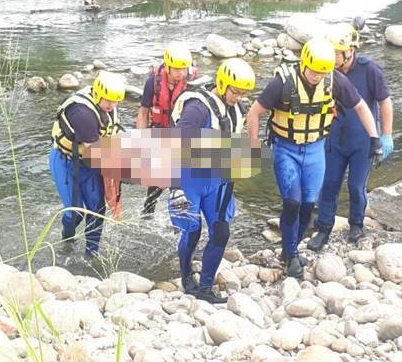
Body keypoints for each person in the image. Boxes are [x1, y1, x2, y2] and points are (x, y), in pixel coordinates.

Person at [246, 38, 379, 278]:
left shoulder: (334, 80)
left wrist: (375, 137)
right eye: (314, 71)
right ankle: (292, 256)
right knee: (292, 202)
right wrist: (253, 146)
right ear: (304, 62)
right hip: (286, 148)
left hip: (316, 149)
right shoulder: (282, 83)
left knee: (308, 204)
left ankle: (290, 249)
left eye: (322, 72)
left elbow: (360, 106)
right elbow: (255, 112)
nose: (317, 76)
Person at [169, 58, 255, 303]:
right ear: (222, 83)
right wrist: (176, 187)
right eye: (235, 91)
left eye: (243, 93)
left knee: (221, 232)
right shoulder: (197, 108)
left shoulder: (236, 109)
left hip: (217, 180)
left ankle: (206, 287)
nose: (238, 97)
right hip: (189, 179)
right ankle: (187, 276)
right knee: (193, 231)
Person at [307, 23, 394, 250]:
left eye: (337, 52)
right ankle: (324, 227)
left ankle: (356, 225)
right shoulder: (325, 72)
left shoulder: (369, 69)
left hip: (361, 140)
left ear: (350, 50)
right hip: (333, 138)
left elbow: (385, 101)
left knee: (356, 186)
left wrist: (386, 135)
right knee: (329, 184)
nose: (333, 57)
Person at [50, 71, 126, 258]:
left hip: (89, 164)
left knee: (97, 210)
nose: (112, 105)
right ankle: (66, 243)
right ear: (98, 94)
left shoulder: (109, 107)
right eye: (108, 100)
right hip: (66, 161)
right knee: (75, 212)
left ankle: (91, 255)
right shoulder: (82, 113)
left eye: (115, 101)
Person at [136, 42, 198, 216]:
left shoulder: (192, 85)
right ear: (168, 67)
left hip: (180, 135)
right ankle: (148, 212)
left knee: (180, 181)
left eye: (184, 69)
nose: (181, 73)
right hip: (158, 133)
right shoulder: (152, 83)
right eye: (177, 69)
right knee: (155, 183)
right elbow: (143, 113)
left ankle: (179, 219)